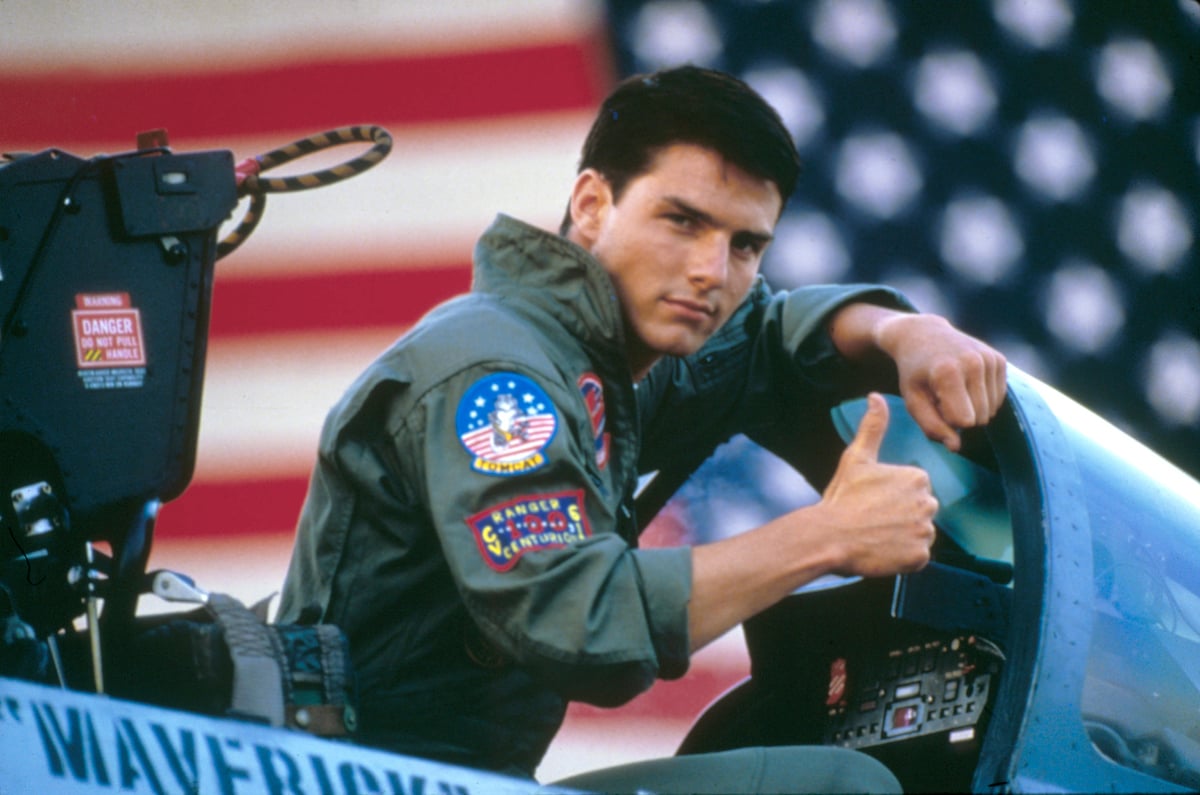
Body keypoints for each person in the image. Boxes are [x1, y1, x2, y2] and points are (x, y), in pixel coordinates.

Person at [277, 65, 1006, 792]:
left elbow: (768, 340)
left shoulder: (610, 359)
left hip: (465, 778)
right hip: (368, 778)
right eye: (682, 220)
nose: (710, 271)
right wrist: (828, 536)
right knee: (844, 787)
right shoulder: (500, 378)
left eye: (746, 244)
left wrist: (906, 330)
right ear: (593, 204)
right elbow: (579, 621)